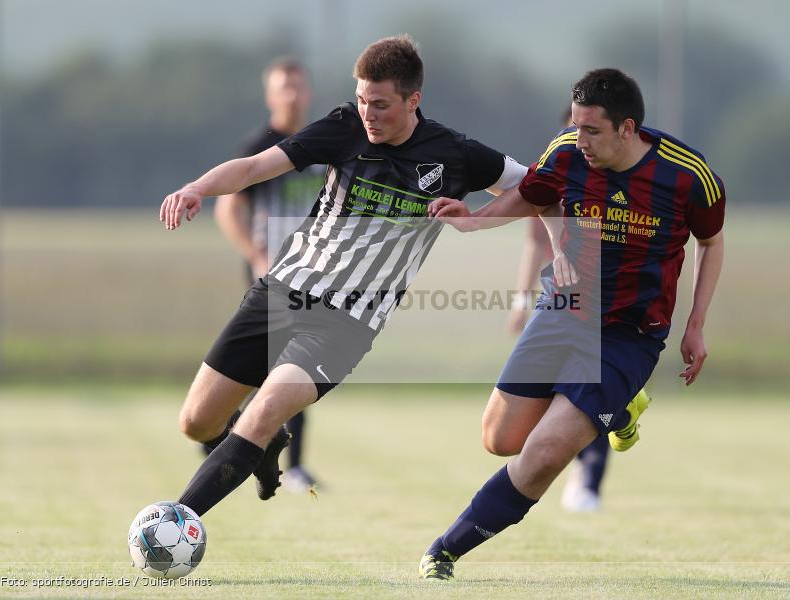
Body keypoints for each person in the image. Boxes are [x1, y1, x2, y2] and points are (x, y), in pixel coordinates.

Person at [158, 35, 529, 516]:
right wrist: (197, 188)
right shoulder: (344, 128)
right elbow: (254, 167)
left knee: (266, 408)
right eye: (361, 100)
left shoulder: (455, 154)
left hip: (346, 322)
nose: (368, 114)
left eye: (380, 104)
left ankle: (174, 525)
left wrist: (477, 218)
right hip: (283, 290)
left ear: (413, 100)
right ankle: (264, 446)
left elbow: (534, 185)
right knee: (196, 423)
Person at [419, 68, 725, 580]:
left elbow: (711, 243)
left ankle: (444, 550)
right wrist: (472, 219)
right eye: (576, 126)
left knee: (543, 454)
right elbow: (533, 194)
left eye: (592, 131)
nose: (578, 140)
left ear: (628, 128)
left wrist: (696, 324)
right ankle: (617, 407)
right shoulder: (565, 152)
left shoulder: (687, 174)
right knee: (499, 439)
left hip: (629, 334)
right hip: (563, 309)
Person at [213, 57, 325, 494]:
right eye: (284, 88)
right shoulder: (260, 145)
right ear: (270, 96)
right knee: (282, 367)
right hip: (275, 275)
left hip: (312, 274)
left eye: (299, 86)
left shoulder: (319, 144)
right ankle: (244, 447)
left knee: (295, 366)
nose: (293, 95)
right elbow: (228, 207)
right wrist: (257, 254)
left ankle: (283, 461)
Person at [506, 107, 617, 513]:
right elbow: (536, 243)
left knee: (594, 388)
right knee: (558, 391)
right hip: (561, 303)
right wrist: (521, 301)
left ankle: (589, 480)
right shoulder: (556, 172)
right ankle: (569, 465)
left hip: (607, 306)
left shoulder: (619, 180)